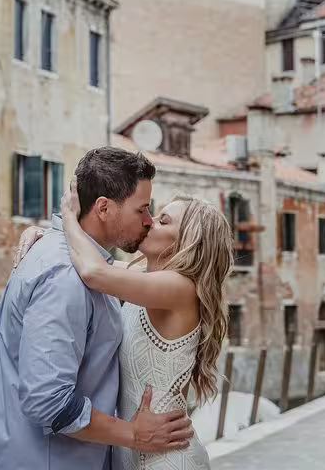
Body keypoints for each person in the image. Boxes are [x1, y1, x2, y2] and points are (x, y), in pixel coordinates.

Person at [0, 147, 193, 470]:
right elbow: (49, 401)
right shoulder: (67, 277)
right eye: (142, 210)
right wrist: (134, 434)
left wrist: (62, 226)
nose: (148, 221)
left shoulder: (89, 267)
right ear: (104, 208)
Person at [14, 177, 234, 469]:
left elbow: (94, 271)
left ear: (186, 243)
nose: (148, 221)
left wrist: (68, 218)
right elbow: (95, 261)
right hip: (137, 451)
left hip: (168, 459)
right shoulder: (145, 279)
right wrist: (47, 235)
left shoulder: (181, 288)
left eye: (163, 221)